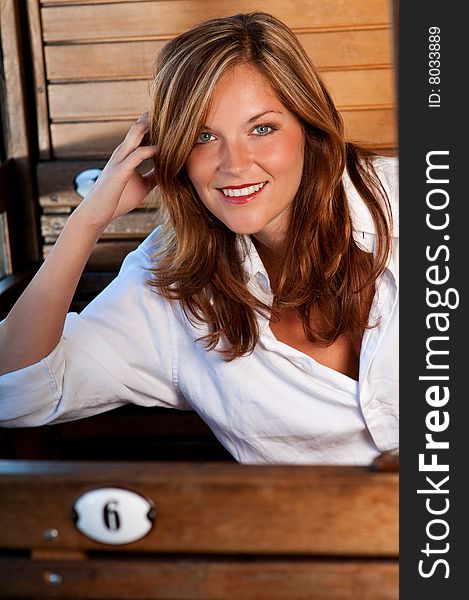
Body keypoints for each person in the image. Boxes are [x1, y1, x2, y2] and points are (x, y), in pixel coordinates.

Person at [0, 12, 398, 465]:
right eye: (203, 137)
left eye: (262, 128)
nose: (235, 163)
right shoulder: (169, 285)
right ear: (175, 152)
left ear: (308, 127)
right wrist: (87, 221)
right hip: (303, 532)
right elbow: (15, 391)